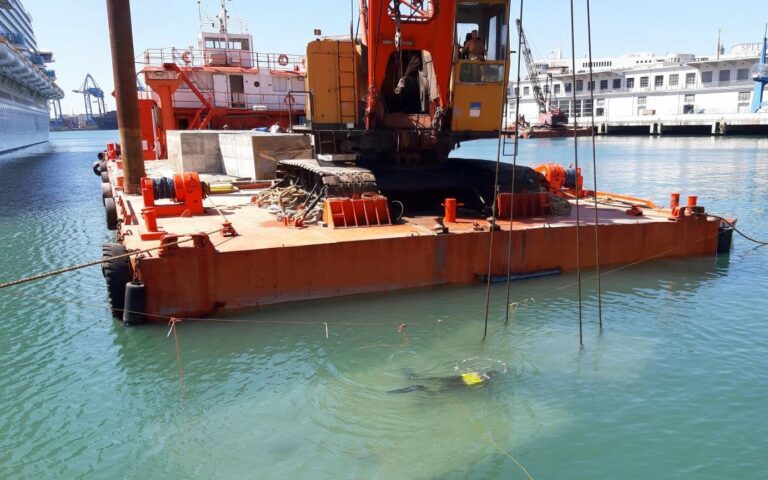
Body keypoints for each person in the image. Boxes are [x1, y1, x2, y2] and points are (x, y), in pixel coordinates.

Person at [387, 370, 497, 394]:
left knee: (433, 378)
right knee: (435, 393)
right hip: (458, 385)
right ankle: (418, 387)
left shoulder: (479, 372)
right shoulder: (487, 380)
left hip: (455, 378)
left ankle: (413, 377)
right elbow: (487, 390)